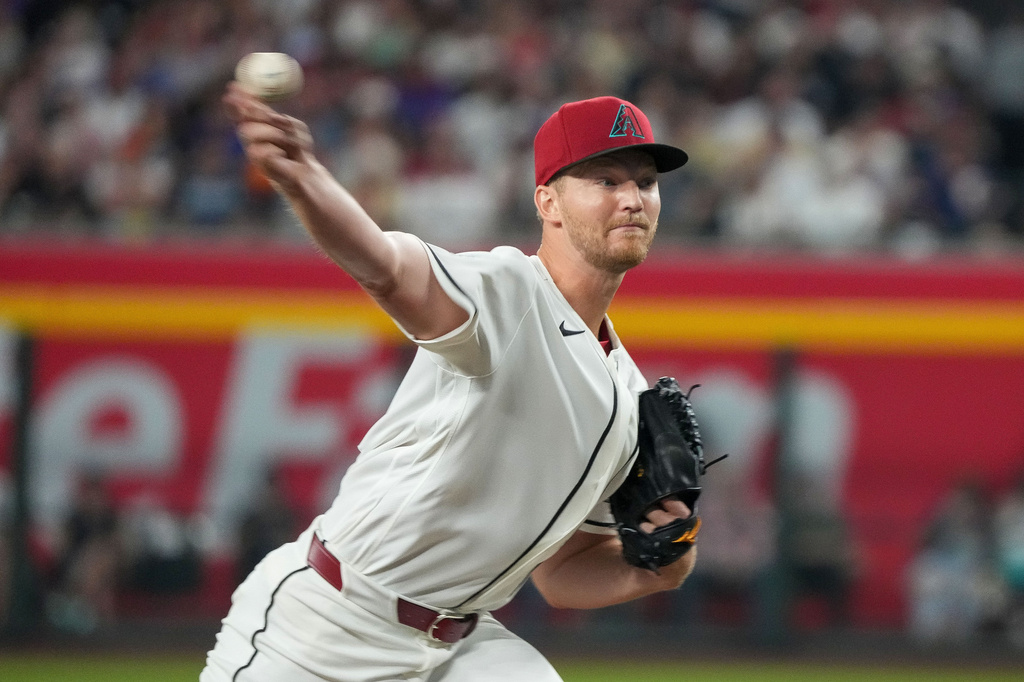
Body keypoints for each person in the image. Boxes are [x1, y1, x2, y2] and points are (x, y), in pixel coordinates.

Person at [202, 85, 694, 681]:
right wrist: (304, 178)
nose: (632, 199)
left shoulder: (626, 392)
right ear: (549, 202)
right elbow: (385, 268)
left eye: (645, 182)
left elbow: (563, 573)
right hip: (327, 624)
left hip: (460, 644)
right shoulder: (508, 293)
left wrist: (659, 565)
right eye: (606, 180)